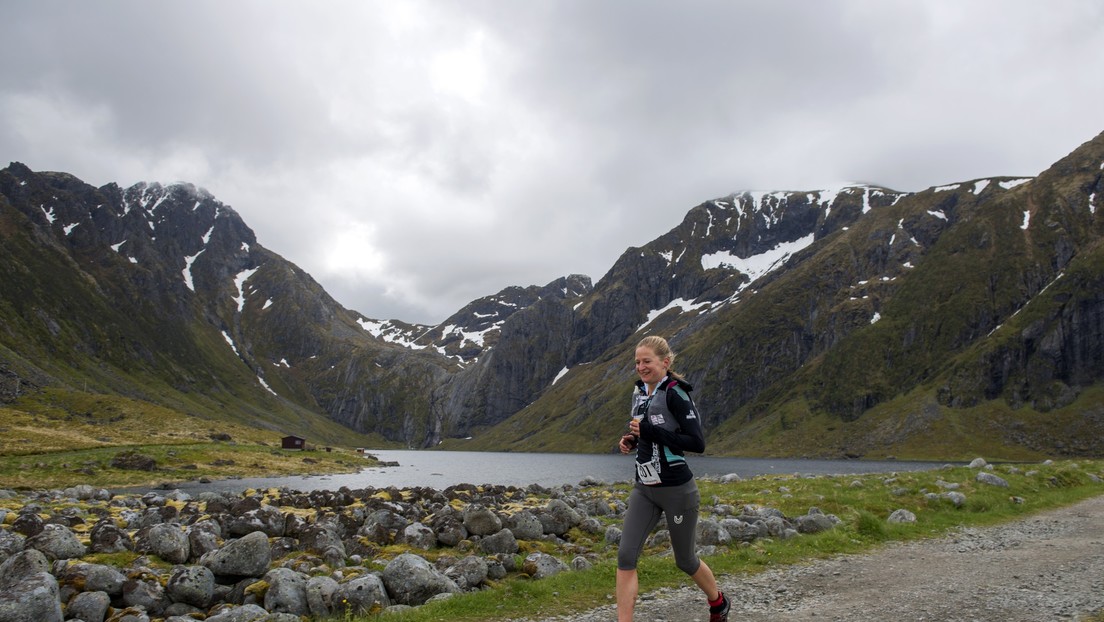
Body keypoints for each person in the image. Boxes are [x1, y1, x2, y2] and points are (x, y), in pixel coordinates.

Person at [616, 335, 729, 622]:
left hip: (677, 490)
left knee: (685, 560)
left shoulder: (676, 394)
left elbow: (696, 443)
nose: (641, 367)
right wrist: (631, 440)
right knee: (626, 557)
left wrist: (650, 433)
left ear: (665, 362)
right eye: (637, 362)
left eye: (647, 361)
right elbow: (647, 433)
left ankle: (718, 603)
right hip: (644, 489)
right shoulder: (639, 392)